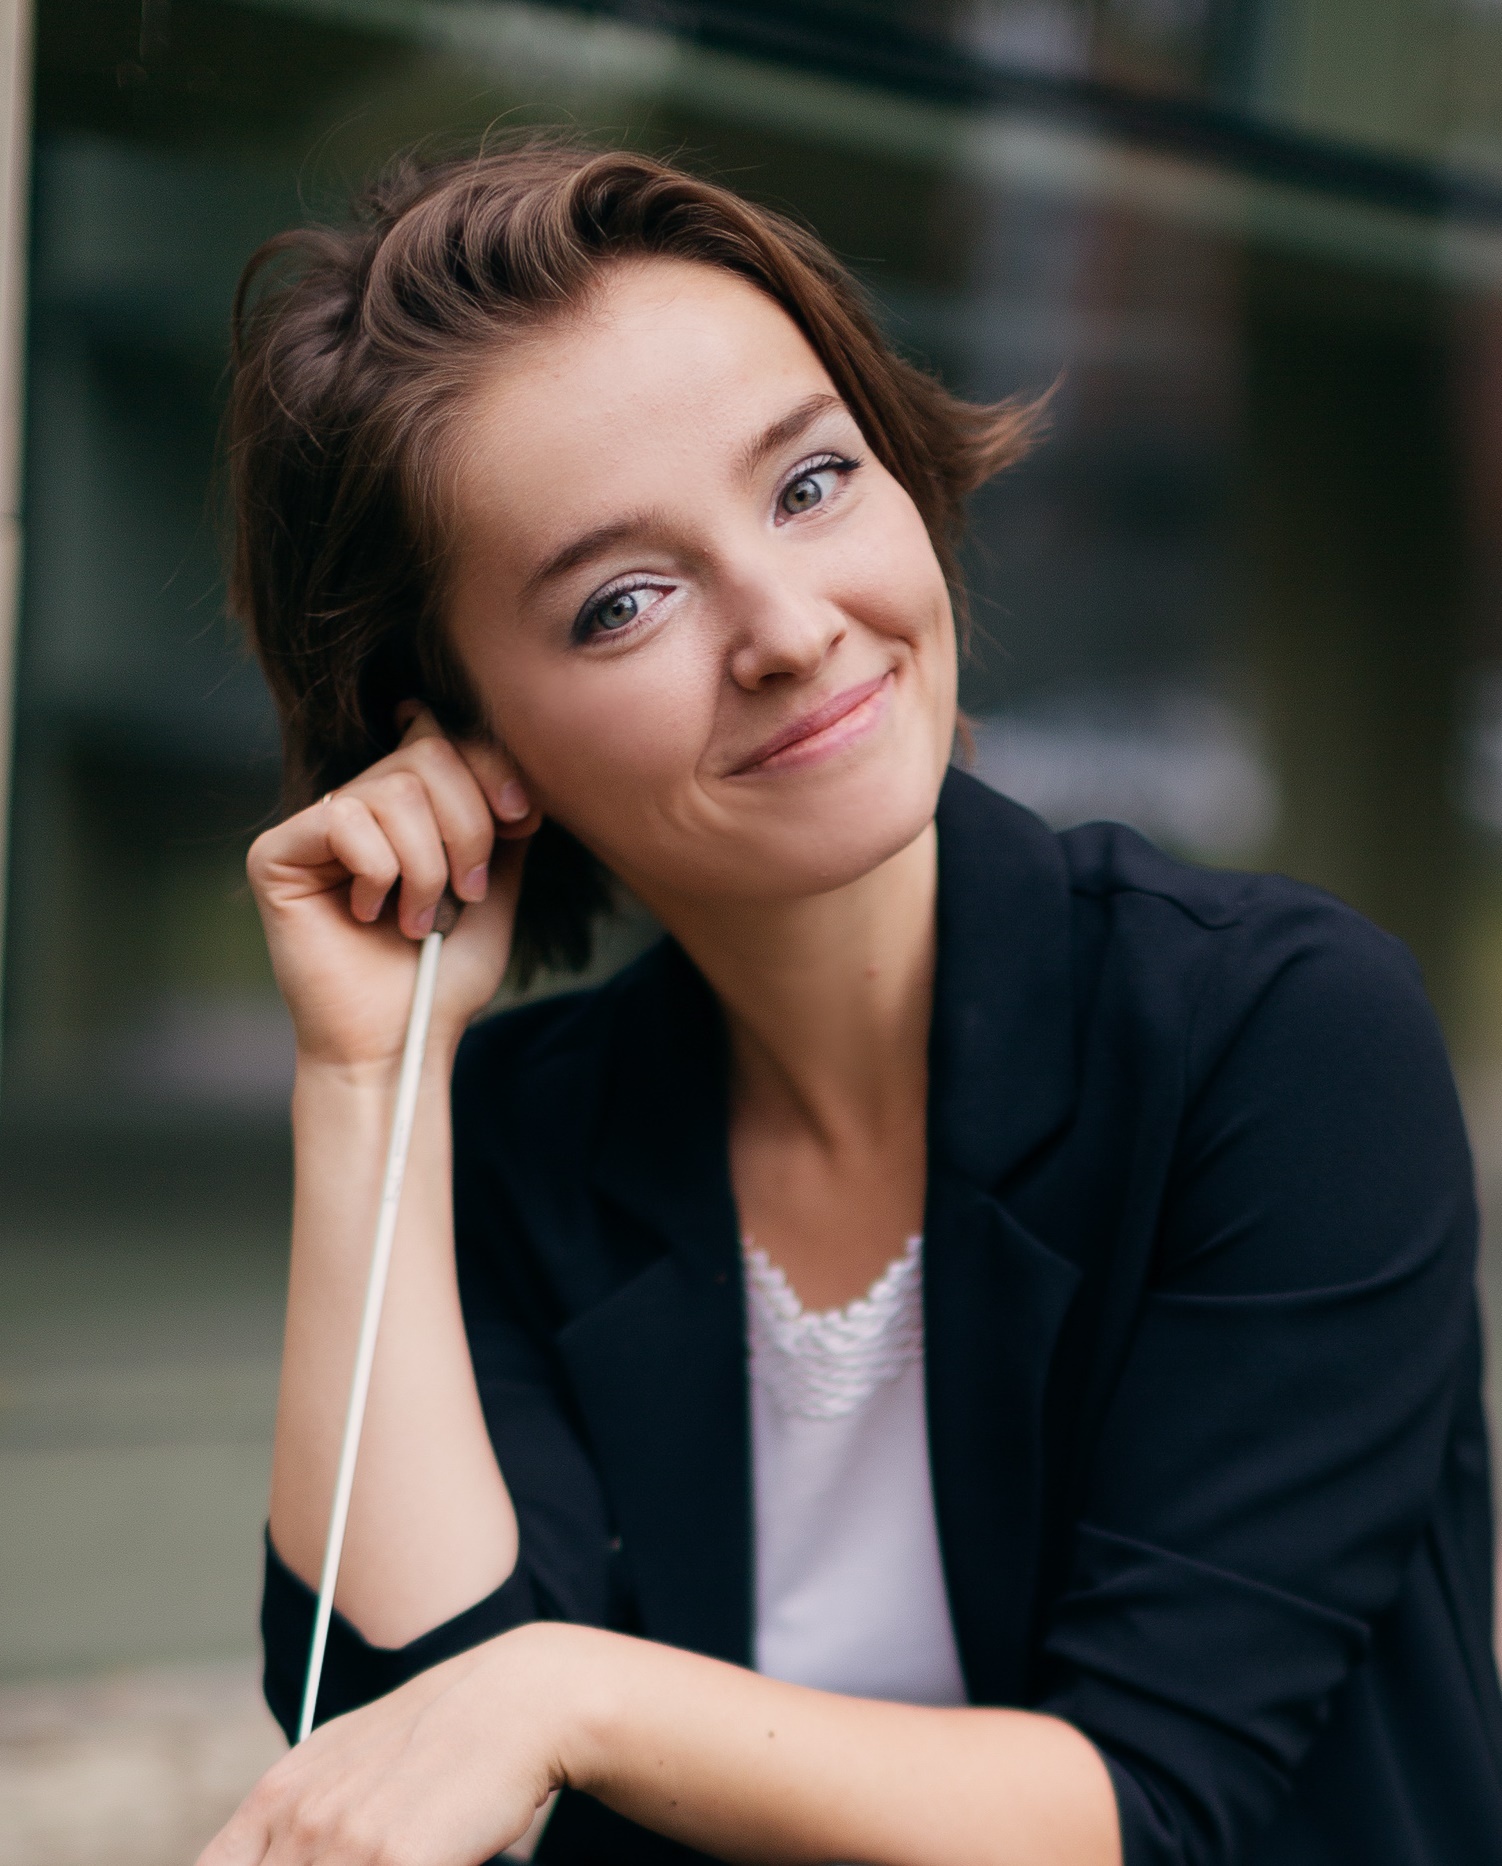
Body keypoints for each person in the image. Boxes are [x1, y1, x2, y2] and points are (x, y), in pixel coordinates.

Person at [201, 138, 1502, 1866]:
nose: (789, 627)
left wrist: (562, 1696)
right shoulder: (521, 1138)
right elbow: (403, 1743)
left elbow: (1148, 1802)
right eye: (622, 601)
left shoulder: (1269, 1034)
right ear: (458, 734)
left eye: (808, 483)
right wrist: (368, 1072)